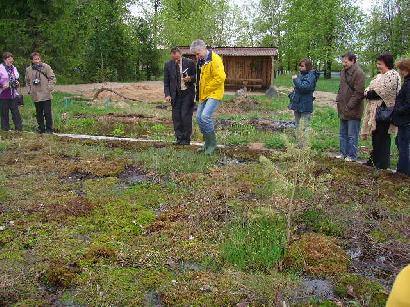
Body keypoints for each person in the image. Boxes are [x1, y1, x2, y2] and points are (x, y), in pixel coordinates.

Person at [361, 53, 401, 169]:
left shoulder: (392, 75)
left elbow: (379, 93)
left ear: (387, 63)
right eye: (377, 63)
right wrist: (369, 92)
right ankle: (374, 160)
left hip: (385, 111)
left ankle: (382, 164)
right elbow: (369, 89)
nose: (378, 66)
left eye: (380, 64)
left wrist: (369, 93)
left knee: (382, 137)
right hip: (375, 111)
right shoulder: (379, 76)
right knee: (375, 136)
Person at [190, 39, 226, 155]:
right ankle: (206, 144)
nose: (197, 56)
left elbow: (221, 77)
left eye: (197, 53)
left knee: (205, 116)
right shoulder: (203, 61)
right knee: (199, 118)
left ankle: (212, 144)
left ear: (202, 49)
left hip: (214, 93)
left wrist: (207, 88)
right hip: (204, 95)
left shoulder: (215, 59)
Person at [336, 52, 365, 162]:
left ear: (353, 61)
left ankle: (352, 156)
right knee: (342, 133)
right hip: (342, 107)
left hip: (353, 110)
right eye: (343, 61)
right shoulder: (343, 72)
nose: (344, 64)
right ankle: (343, 153)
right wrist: (338, 99)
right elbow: (341, 87)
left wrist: (349, 106)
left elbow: (358, 93)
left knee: (352, 135)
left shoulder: (359, 73)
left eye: (346, 61)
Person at [163, 47, 196, 145]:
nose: (176, 61)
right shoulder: (168, 65)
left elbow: (197, 76)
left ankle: (186, 140)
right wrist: (167, 94)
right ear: (171, 56)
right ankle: (179, 138)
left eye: (177, 59)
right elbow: (166, 82)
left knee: (185, 115)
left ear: (180, 55)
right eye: (174, 59)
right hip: (175, 95)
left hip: (187, 93)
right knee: (176, 117)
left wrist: (190, 78)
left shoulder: (189, 63)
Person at [25, 52, 56, 134]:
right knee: (39, 113)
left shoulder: (46, 67)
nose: (37, 60)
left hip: (45, 93)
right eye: (35, 59)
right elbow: (27, 81)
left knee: (47, 112)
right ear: (32, 60)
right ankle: (41, 128)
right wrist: (29, 90)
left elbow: (52, 78)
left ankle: (49, 129)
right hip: (35, 94)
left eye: (38, 58)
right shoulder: (28, 69)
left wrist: (50, 87)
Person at [288, 58, 320, 130]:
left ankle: (304, 140)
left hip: (305, 103)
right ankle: (297, 138)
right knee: (297, 124)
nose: (300, 67)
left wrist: (295, 79)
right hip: (297, 103)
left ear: (308, 66)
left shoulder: (311, 76)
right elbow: (298, 87)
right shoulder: (301, 74)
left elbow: (304, 87)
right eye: (299, 65)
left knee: (305, 126)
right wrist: (292, 94)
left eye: (302, 66)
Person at [392, 58, 410, 176]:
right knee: (399, 141)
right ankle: (402, 168)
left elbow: (408, 104)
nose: (400, 72)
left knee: (403, 144)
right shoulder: (407, 82)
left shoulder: (409, 84)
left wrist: (398, 110)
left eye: (402, 69)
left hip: (406, 120)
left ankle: (403, 171)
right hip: (404, 120)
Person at [0, 52, 22, 131]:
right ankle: (5, 130)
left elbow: (16, 78)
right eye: (9, 59)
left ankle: (19, 129)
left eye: (11, 58)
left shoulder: (13, 68)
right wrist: (2, 85)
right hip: (3, 94)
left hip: (13, 94)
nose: (11, 60)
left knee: (16, 113)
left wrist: (17, 82)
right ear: (5, 60)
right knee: (4, 113)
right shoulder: (1, 68)